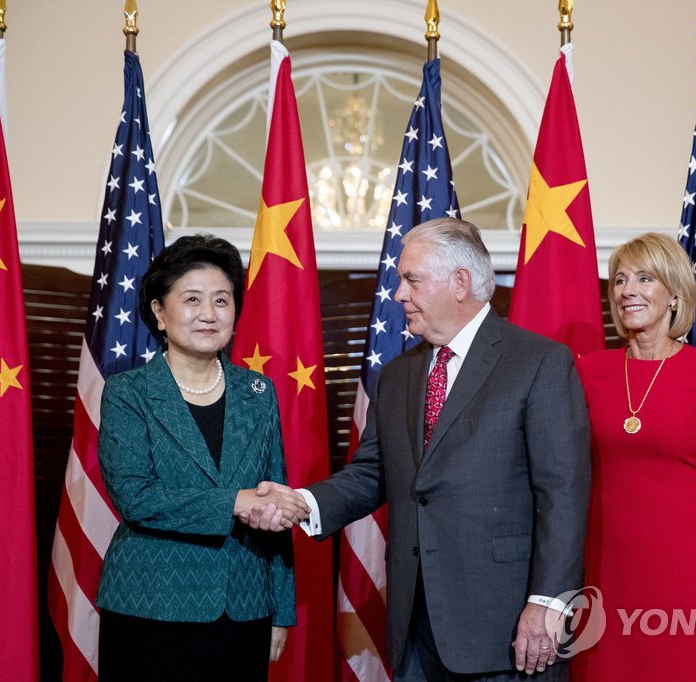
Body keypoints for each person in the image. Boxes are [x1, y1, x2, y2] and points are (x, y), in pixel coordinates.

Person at [252, 218, 591, 680]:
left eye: (411, 280)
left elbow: (563, 494)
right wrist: (301, 503)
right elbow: (374, 472)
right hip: (414, 627)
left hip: (507, 625)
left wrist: (549, 602)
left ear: (460, 282)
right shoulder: (398, 375)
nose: (398, 294)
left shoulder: (538, 362)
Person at [95, 234, 311, 680]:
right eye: (192, 299)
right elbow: (137, 497)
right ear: (159, 311)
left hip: (245, 605)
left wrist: (281, 608)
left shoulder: (258, 392)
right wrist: (235, 501)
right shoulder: (128, 392)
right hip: (150, 605)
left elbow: (275, 500)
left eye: (221, 300)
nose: (209, 314)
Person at [574, 232, 696, 680]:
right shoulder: (588, 371)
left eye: (644, 278)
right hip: (603, 571)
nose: (627, 290)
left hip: (681, 573)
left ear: (674, 294)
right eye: (619, 280)